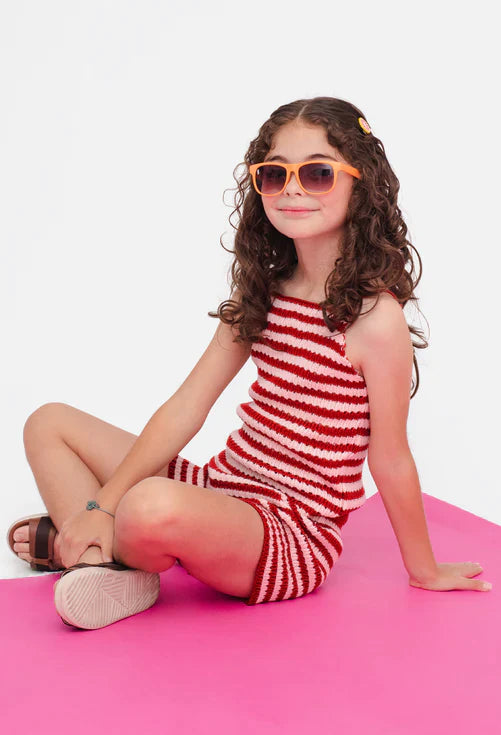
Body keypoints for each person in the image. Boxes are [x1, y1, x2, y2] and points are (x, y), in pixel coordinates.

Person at [8, 96, 492, 630]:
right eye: (274, 174)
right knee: (48, 423)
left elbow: (392, 457)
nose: (292, 189)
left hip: (288, 536)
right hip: (221, 489)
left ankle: (88, 545)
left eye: (318, 174)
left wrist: (424, 569)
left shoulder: (374, 318)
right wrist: (103, 505)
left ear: (361, 186)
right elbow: (187, 406)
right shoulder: (264, 291)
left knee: (147, 505)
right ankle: (99, 556)